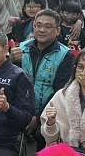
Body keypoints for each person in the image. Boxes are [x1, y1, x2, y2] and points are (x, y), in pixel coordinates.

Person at [18, 9, 74, 145]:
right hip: (20, 108)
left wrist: (38, 118)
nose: (42, 30)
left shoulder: (65, 54)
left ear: (58, 30)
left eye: (48, 26)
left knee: (43, 136)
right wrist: (12, 62)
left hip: (48, 111)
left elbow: (60, 90)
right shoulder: (21, 48)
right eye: (38, 25)